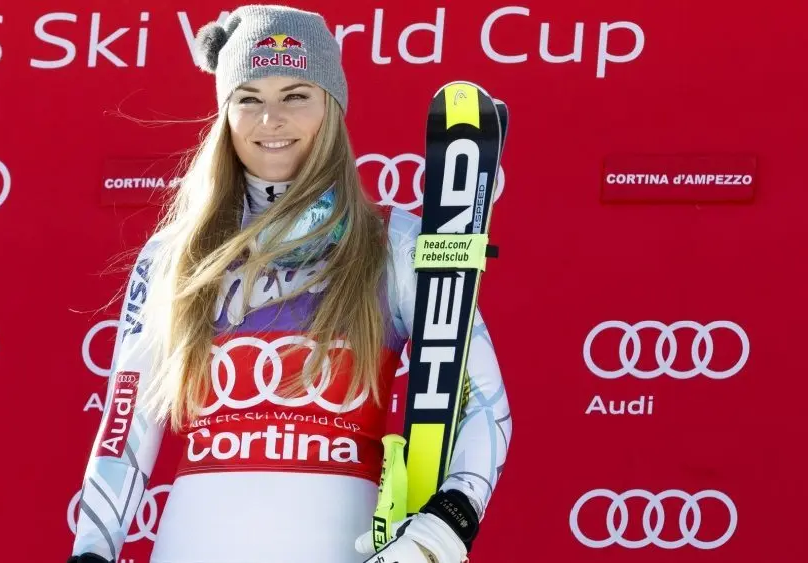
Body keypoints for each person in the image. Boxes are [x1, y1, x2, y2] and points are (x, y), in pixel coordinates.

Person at [67, 5, 512, 563]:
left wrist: (446, 526)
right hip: (194, 543)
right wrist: (92, 551)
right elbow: (124, 430)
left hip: (343, 544)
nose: (269, 119)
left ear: (332, 106)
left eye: (296, 95)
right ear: (225, 113)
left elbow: (484, 406)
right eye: (248, 98)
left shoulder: (394, 245)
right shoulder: (176, 254)